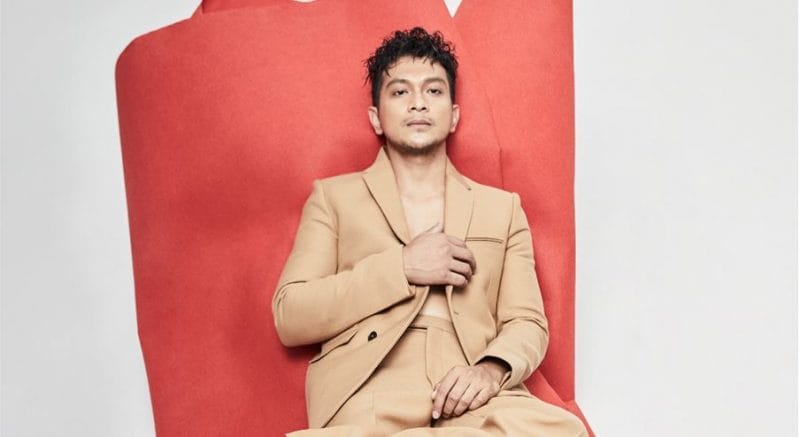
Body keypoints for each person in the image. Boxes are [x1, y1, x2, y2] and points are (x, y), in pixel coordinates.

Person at [272, 27, 588, 436]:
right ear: (376, 118)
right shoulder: (334, 198)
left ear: (454, 115)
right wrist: (402, 267)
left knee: (563, 431)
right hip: (372, 387)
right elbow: (291, 313)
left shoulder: (502, 209)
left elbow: (527, 322)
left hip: (468, 389)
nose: (418, 102)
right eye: (400, 92)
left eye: (434, 91)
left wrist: (489, 370)